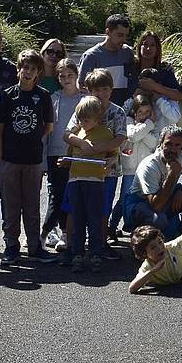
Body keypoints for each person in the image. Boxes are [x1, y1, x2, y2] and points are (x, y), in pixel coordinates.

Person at [0, 49, 55, 265]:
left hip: (33, 160)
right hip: (9, 159)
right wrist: (0, 160)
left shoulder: (43, 96)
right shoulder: (8, 95)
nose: (28, 72)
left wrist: (30, 140)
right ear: (18, 69)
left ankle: (35, 246)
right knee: (11, 205)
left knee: (31, 205)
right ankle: (11, 246)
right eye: (25, 67)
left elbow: (48, 127)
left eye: (33, 69)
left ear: (38, 73)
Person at [63, 68, 128, 260]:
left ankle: (99, 244)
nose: (100, 94)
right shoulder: (83, 107)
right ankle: (72, 246)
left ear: (111, 89)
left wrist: (99, 148)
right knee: (74, 208)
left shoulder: (118, 112)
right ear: (89, 91)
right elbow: (67, 134)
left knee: (102, 208)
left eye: (105, 89)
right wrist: (82, 143)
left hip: (107, 168)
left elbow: (120, 138)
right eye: (96, 90)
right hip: (81, 168)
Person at [60, 95, 113, 272]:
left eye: (87, 119)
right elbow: (70, 156)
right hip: (75, 180)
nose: (83, 122)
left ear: (98, 118)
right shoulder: (78, 134)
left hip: (95, 182)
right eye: (80, 119)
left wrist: (109, 163)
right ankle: (77, 254)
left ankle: (96, 253)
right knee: (77, 218)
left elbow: (113, 155)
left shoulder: (105, 133)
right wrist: (64, 162)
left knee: (94, 218)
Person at [131, 125, 182, 238]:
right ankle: (141, 237)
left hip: (164, 197)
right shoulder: (149, 166)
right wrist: (172, 174)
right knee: (159, 220)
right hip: (141, 203)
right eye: (168, 144)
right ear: (160, 143)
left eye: (177, 145)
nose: (173, 149)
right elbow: (156, 205)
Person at [43, 60, 82, 251]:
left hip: (77, 153)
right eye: (62, 76)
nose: (66, 79)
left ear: (76, 75)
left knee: (73, 194)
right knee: (57, 195)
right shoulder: (53, 98)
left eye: (70, 75)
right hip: (55, 152)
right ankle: (55, 233)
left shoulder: (85, 98)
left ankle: (72, 234)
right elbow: (47, 129)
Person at [110, 96, 159, 239]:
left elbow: (153, 142)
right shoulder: (130, 122)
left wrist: (143, 131)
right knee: (124, 199)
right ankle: (112, 226)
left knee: (142, 201)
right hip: (130, 170)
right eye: (140, 112)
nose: (144, 116)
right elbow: (133, 135)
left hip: (146, 172)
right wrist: (148, 125)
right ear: (134, 112)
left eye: (148, 112)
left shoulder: (155, 127)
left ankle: (137, 231)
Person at [78, 14, 136, 106]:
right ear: (108, 32)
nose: (123, 39)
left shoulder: (127, 52)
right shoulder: (91, 56)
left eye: (126, 36)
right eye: (120, 35)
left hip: (124, 110)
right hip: (98, 111)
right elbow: (82, 87)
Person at [134, 31, 182, 106]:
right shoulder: (131, 68)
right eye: (145, 44)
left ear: (157, 48)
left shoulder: (165, 70)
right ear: (139, 47)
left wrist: (154, 86)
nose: (148, 48)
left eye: (152, 45)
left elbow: (179, 96)